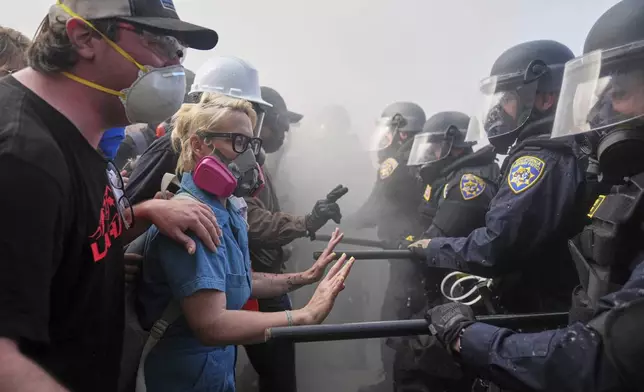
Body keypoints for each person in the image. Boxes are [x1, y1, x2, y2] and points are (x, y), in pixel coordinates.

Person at [0, 1, 220, 391]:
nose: (173, 65)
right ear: (85, 37)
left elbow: (71, 239)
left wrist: (143, 213)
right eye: (159, 42)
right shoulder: (23, 156)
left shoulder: (78, 135)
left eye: (177, 50)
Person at [423, 4, 644, 389]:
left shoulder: (541, 157)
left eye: (619, 92)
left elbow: (606, 358)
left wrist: (467, 337)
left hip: (548, 325)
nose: (600, 111)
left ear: (542, 98)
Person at [137, 93, 356, 392]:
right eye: (237, 142)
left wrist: (300, 279)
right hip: (181, 375)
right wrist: (304, 315)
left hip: (212, 370)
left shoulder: (227, 208)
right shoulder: (192, 216)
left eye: (251, 144)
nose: (249, 157)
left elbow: (234, 281)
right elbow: (211, 325)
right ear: (198, 145)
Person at [409, 40, 591, 316]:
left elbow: (498, 247)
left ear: (544, 99)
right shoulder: (569, 148)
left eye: (507, 99)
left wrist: (433, 247)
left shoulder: (539, 160)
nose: (498, 111)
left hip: (540, 315)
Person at [242, 86, 348, 392]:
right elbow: (252, 221)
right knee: (277, 375)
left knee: (272, 367)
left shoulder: (257, 161)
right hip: (255, 284)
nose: (286, 132)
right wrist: (306, 222)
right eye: (281, 123)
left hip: (262, 278)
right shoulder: (242, 164)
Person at [392, 111, 500, 392]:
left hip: (460, 295)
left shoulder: (468, 184)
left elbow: (439, 237)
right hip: (446, 288)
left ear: (455, 145)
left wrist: (412, 244)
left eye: (433, 147)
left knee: (418, 365)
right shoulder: (453, 176)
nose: (427, 154)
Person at [125, 56, 270, 205]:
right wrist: (150, 210)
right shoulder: (172, 147)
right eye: (238, 139)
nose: (247, 152)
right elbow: (124, 217)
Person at [354, 101, 427, 392]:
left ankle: (395, 383)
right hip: (417, 249)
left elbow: (374, 209)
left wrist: (341, 221)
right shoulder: (422, 157)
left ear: (401, 132)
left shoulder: (395, 162)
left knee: (393, 318)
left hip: (403, 253)